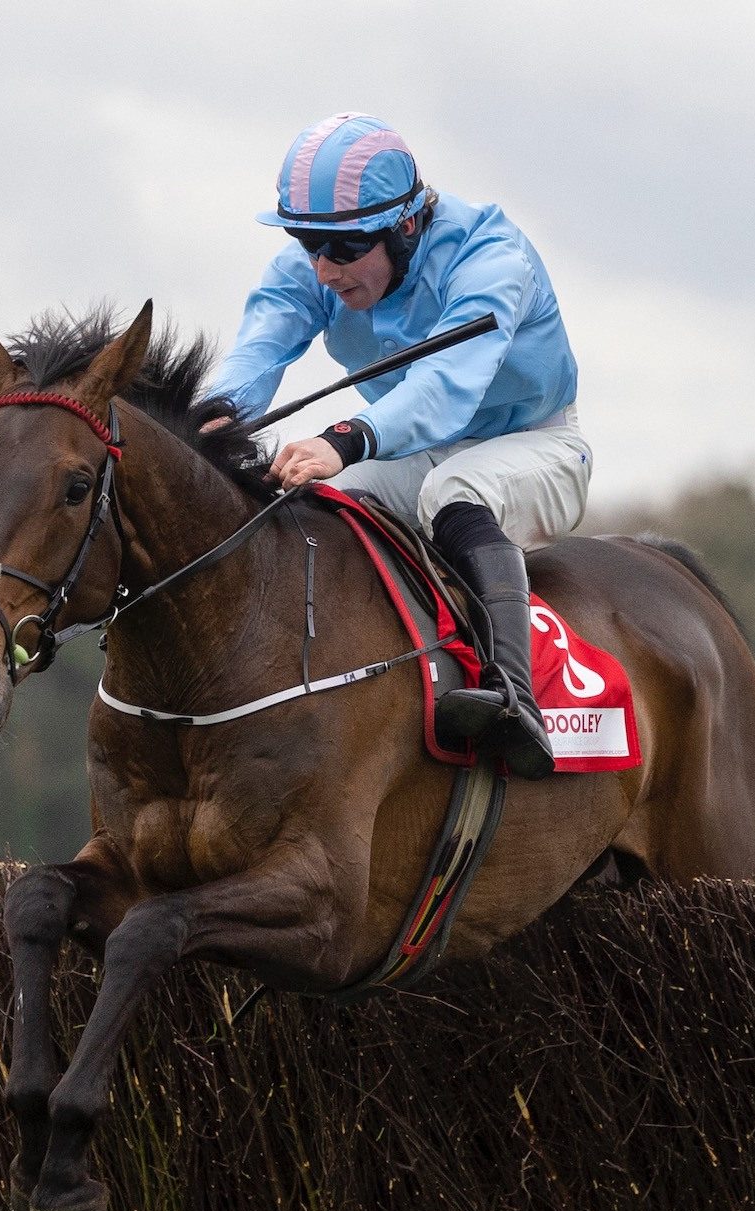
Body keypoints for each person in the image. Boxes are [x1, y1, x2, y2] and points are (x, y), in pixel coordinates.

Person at [205, 113, 591, 780]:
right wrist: (208, 425)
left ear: (405, 226)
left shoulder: (492, 257)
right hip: (417, 451)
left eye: (342, 250)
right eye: (307, 244)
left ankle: (512, 697)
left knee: (453, 490)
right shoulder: (321, 265)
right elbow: (258, 351)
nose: (324, 269)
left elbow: (444, 387)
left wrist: (344, 438)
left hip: (537, 447)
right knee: (317, 502)